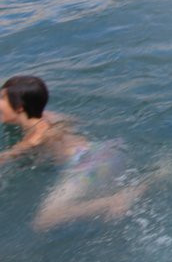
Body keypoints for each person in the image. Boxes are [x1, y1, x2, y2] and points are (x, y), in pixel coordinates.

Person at [0, 76, 146, 230]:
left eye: (2, 98)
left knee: (44, 220)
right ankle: (154, 178)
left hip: (87, 166)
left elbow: (4, 158)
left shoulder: (34, 137)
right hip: (105, 151)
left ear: (20, 107)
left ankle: (115, 200)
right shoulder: (48, 116)